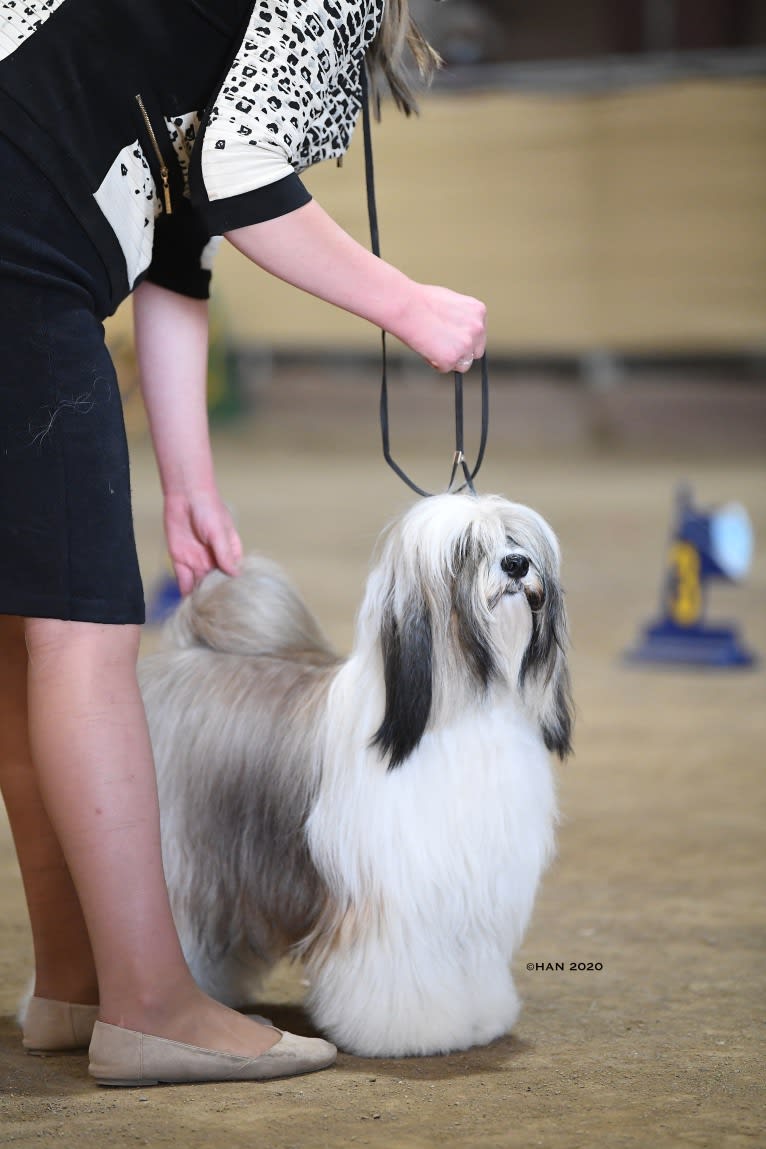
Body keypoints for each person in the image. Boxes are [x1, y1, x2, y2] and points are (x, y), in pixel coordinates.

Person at [0, 0, 487, 1087]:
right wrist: (406, 305)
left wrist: (189, 483)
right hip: (21, 249)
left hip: (25, 225)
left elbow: (179, 234)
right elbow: (241, 172)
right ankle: (154, 1006)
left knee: (21, 623)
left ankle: (76, 987)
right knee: (81, 640)